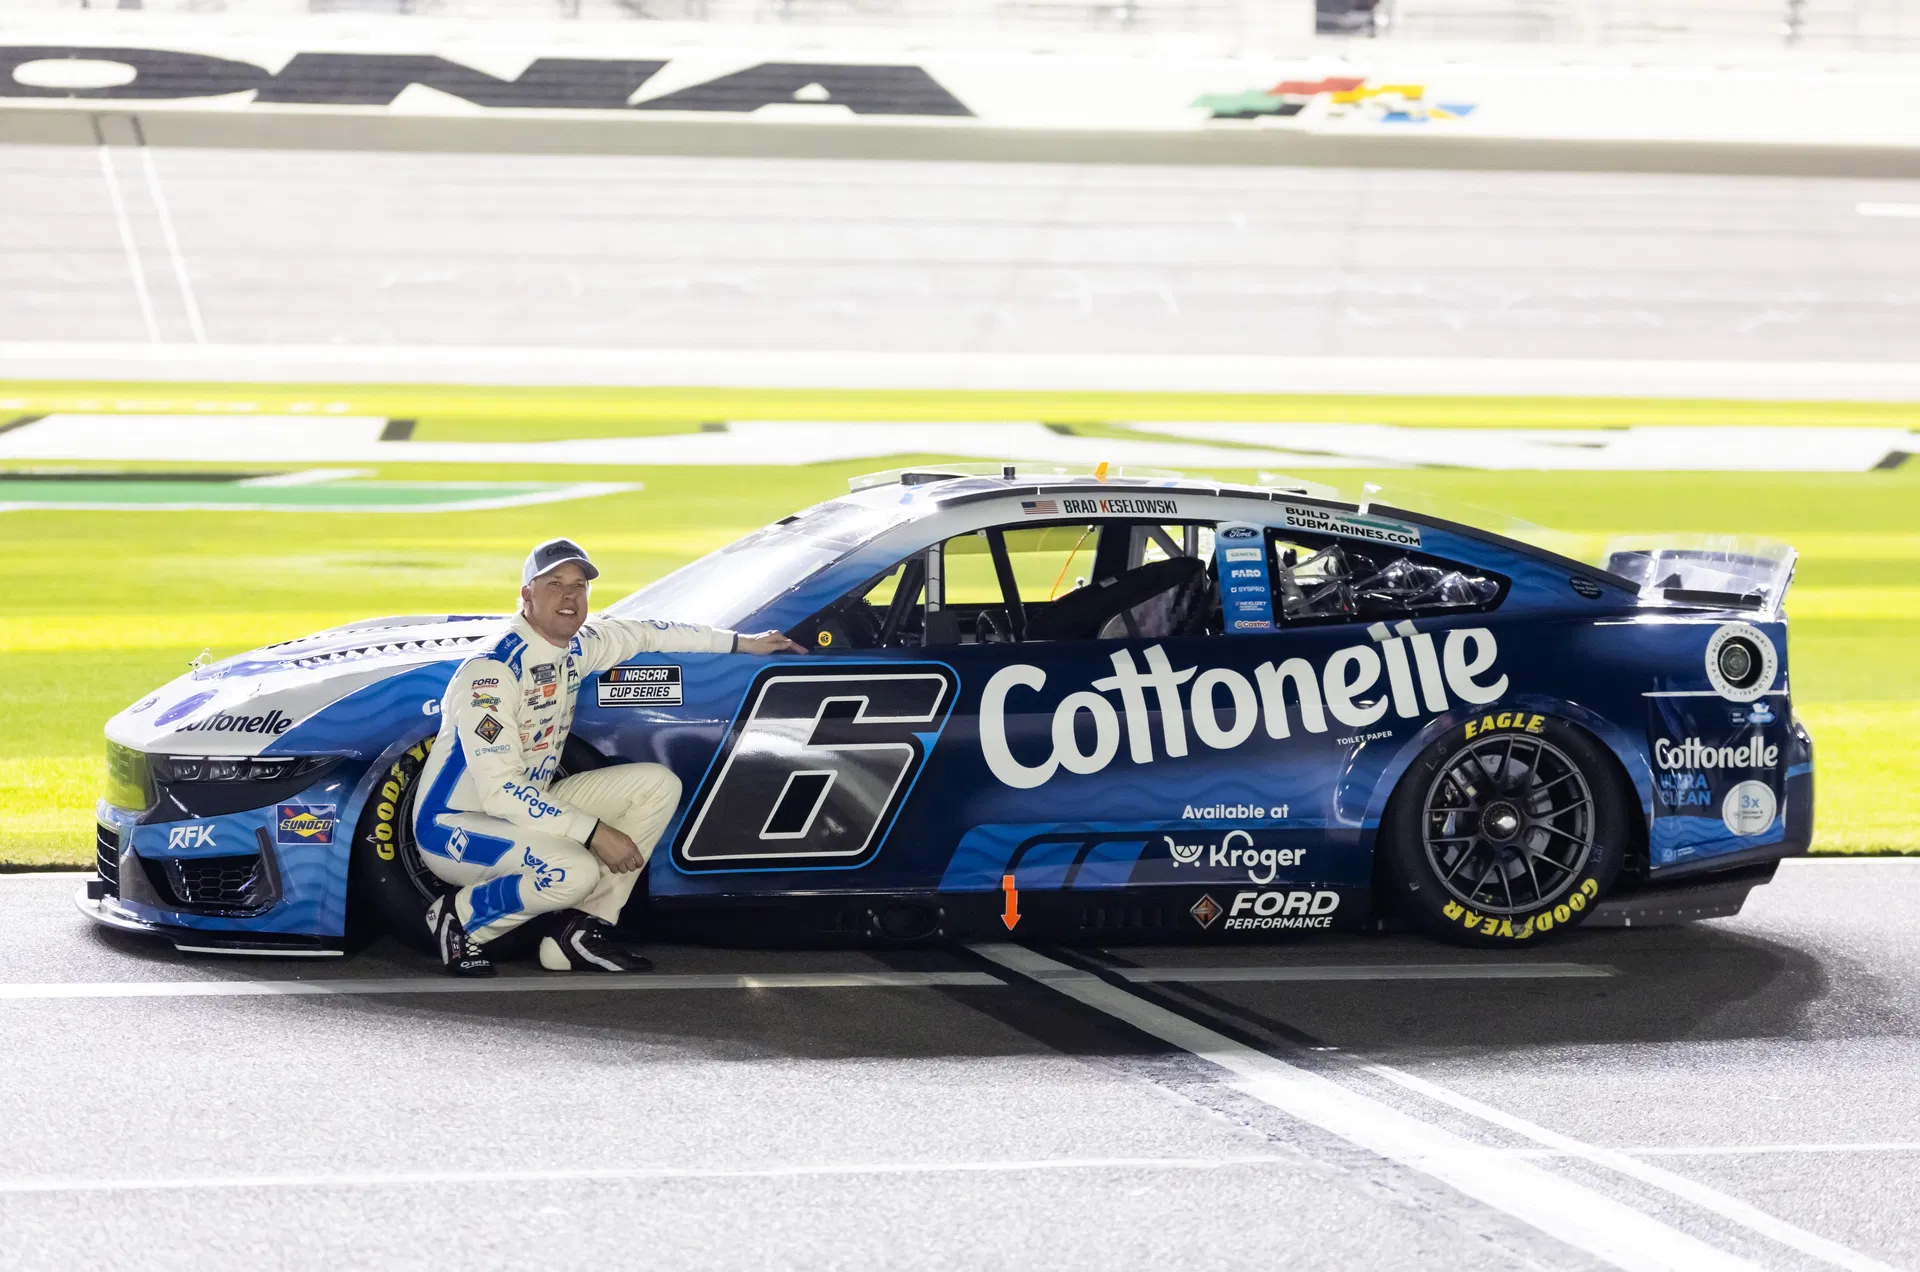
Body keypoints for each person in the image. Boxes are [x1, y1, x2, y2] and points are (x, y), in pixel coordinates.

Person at [412, 537, 804, 976]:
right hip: (455, 824)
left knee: (656, 786)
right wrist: (594, 832)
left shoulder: (577, 646)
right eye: (554, 584)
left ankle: (578, 933)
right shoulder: (491, 672)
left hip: (525, 808)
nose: (568, 596)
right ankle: (460, 922)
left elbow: (647, 631)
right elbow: (502, 791)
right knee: (574, 870)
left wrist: (742, 643)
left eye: (578, 586)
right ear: (526, 595)